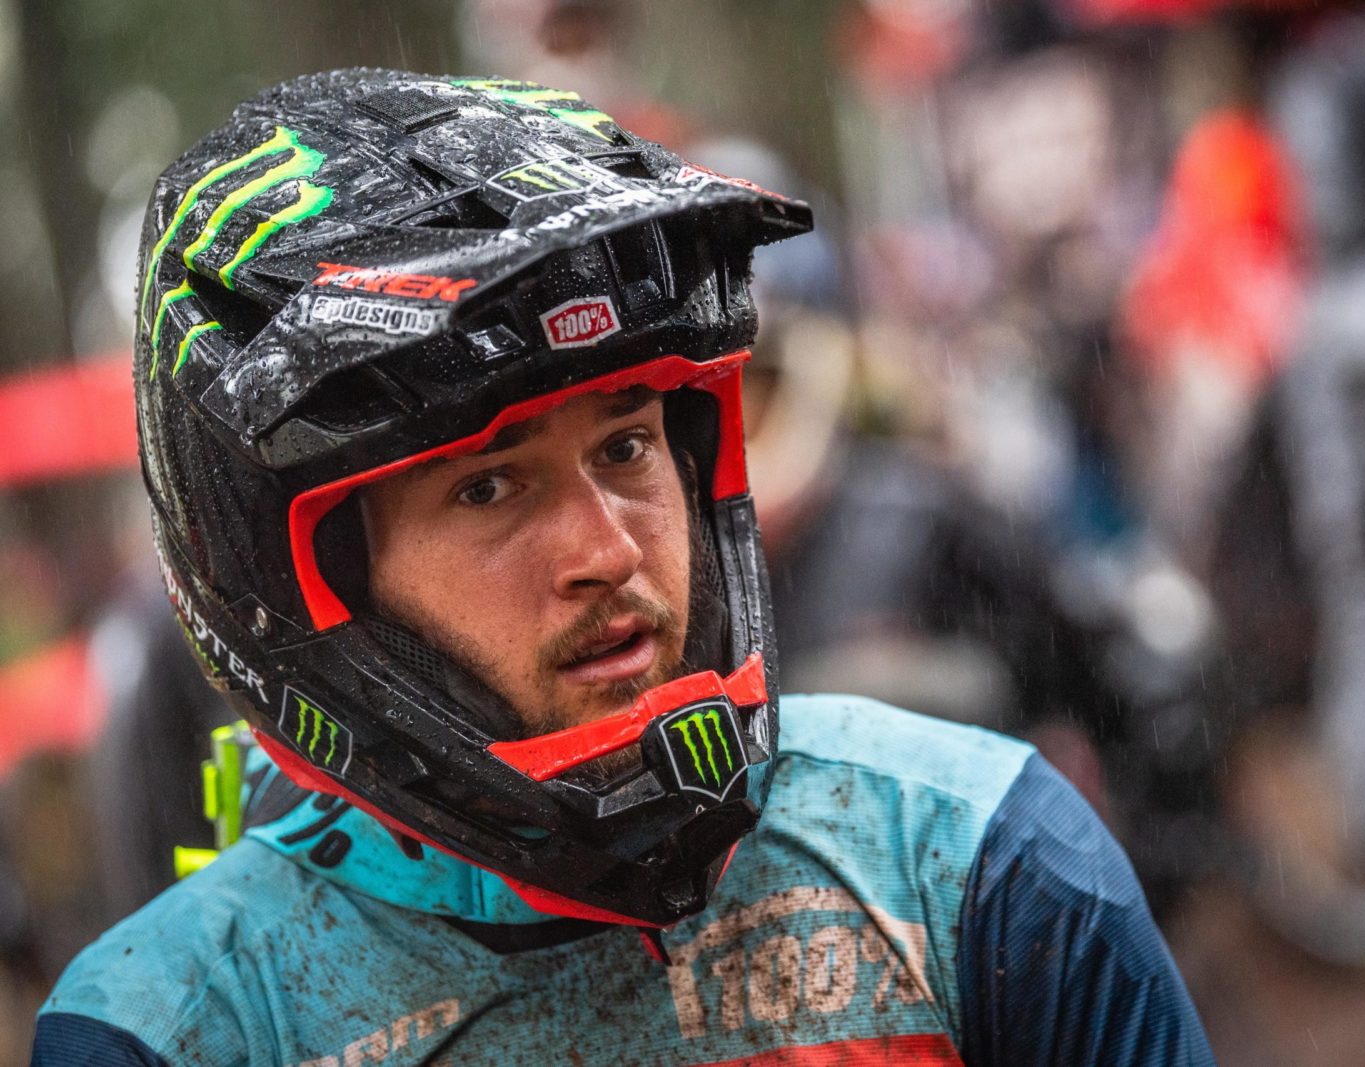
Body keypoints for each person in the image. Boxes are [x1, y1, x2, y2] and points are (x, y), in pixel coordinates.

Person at [30, 70, 1212, 1066]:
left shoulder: (974, 860)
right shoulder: (172, 1027)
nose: (609, 551)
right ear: (305, 578)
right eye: (488, 486)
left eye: (626, 445)